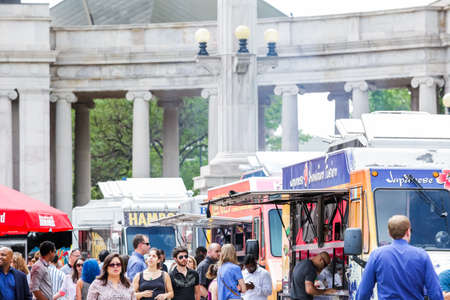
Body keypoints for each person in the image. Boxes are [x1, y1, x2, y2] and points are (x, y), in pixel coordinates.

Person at [356, 215, 444, 300]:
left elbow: (364, 291)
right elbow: (435, 291)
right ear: (408, 232)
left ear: (389, 234)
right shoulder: (422, 255)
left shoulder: (377, 255)